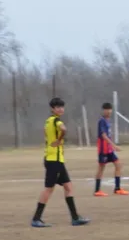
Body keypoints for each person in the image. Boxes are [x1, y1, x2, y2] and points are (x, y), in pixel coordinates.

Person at [31, 97, 90, 228]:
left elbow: (47, 134)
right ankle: (36, 218)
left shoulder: (48, 121)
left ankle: (75, 218)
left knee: (68, 187)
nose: (61, 109)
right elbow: (63, 129)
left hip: (56, 160)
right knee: (49, 189)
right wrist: (59, 139)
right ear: (52, 109)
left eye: (62, 107)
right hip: (54, 160)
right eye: (58, 107)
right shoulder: (56, 121)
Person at [94, 102, 128, 196]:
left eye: (110, 109)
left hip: (109, 150)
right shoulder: (102, 121)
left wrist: (111, 147)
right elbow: (103, 135)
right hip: (103, 149)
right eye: (106, 109)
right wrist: (114, 145)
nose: (108, 111)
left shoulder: (108, 121)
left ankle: (117, 188)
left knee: (118, 165)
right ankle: (97, 190)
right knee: (101, 168)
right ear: (103, 110)